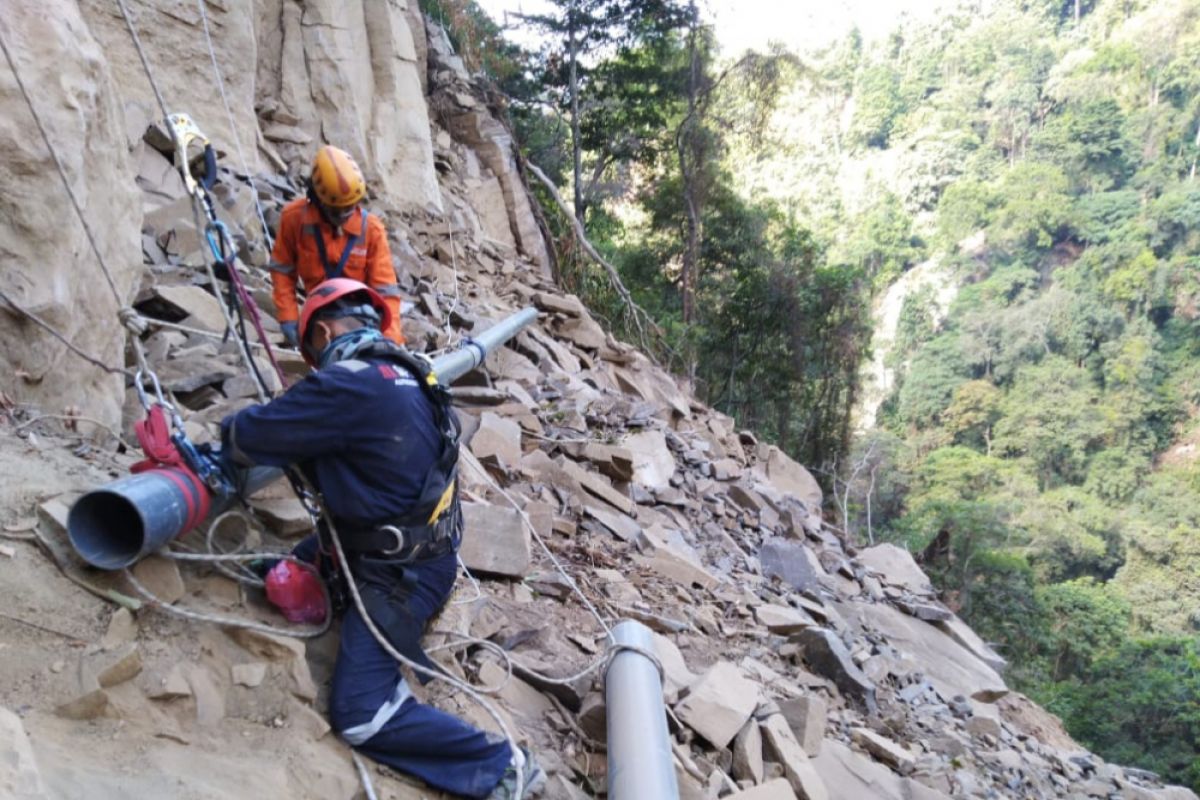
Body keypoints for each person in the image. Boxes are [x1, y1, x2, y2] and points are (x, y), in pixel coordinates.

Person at [220, 278, 543, 799]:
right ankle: (319, 576)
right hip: (412, 552)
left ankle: (500, 765)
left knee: (360, 713)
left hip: (397, 576)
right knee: (282, 570)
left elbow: (246, 436)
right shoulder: (413, 374)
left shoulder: (346, 386)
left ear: (322, 332)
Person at [269, 145, 405, 346]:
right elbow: (282, 271)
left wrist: (391, 340)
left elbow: (385, 292)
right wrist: (288, 316)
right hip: (319, 315)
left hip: (360, 320)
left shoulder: (371, 230)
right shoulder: (295, 219)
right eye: (336, 210)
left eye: (349, 208)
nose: (343, 216)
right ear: (317, 199)